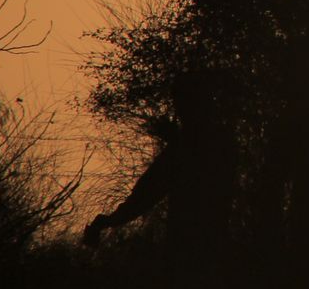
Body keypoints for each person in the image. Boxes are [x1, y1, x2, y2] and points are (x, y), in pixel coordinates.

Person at [83, 69, 235, 253]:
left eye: (182, 103)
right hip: (210, 241)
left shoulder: (190, 147)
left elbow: (148, 193)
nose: (179, 110)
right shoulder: (218, 140)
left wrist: (110, 221)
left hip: (193, 244)